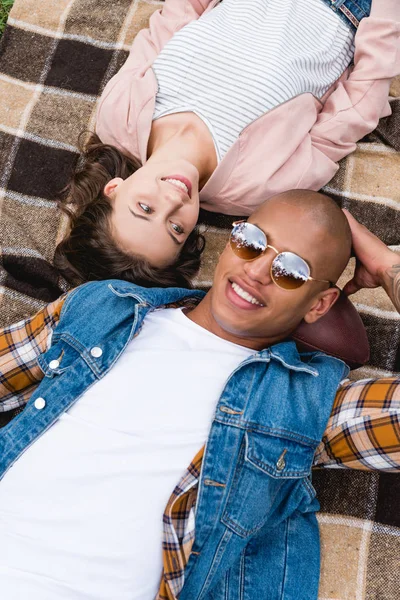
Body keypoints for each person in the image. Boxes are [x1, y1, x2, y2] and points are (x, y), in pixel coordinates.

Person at [0, 191, 399, 600]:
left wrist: (389, 268)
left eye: (291, 271)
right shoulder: (103, 306)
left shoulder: (306, 401)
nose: (257, 271)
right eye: (252, 242)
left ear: (320, 304)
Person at [54, 0, 400, 287]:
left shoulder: (118, 119)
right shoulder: (259, 189)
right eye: (176, 229)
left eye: (145, 208)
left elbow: (175, 20)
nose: (174, 201)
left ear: (114, 189)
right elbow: (357, 108)